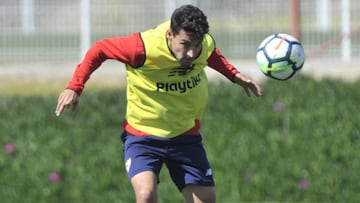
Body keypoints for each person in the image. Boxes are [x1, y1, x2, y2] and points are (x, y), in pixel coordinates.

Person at [55, 4, 262, 203]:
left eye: (196, 45)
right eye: (185, 45)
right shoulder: (141, 48)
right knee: (145, 195)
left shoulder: (203, 44)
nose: (191, 53)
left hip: (185, 135)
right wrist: (75, 87)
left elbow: (210, 53)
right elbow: (100, 49)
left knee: (206, 200)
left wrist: (233, 75)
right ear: (170, 35)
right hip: (143, 137)